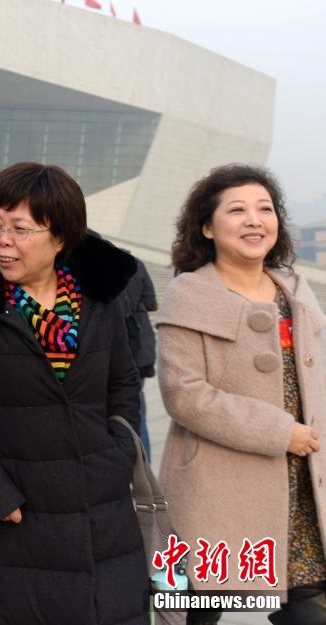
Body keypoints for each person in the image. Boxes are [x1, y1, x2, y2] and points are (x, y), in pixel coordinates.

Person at [0, 162, 149, 624]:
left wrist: (118, 451)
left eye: (20, 229)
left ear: (60, 237)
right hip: (11, 520)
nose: (3, 241)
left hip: (100, 513)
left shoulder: (99, 301)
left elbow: (123, 381)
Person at [157, 165, 326, 625]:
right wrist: (279, 432)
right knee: (197, 608)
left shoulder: (295, 290)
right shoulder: (188, 295)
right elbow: (183, 394)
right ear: (207, 227)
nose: (254, 220)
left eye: (265, 209)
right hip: (218, 486)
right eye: (237, 210)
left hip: (300, 487)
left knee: (309, 610)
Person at [122, 257, 158, 456]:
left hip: (125, 348)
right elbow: (151, 301)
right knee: (138, 412)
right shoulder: (136, 264)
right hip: (142, 346)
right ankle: (145, 466)